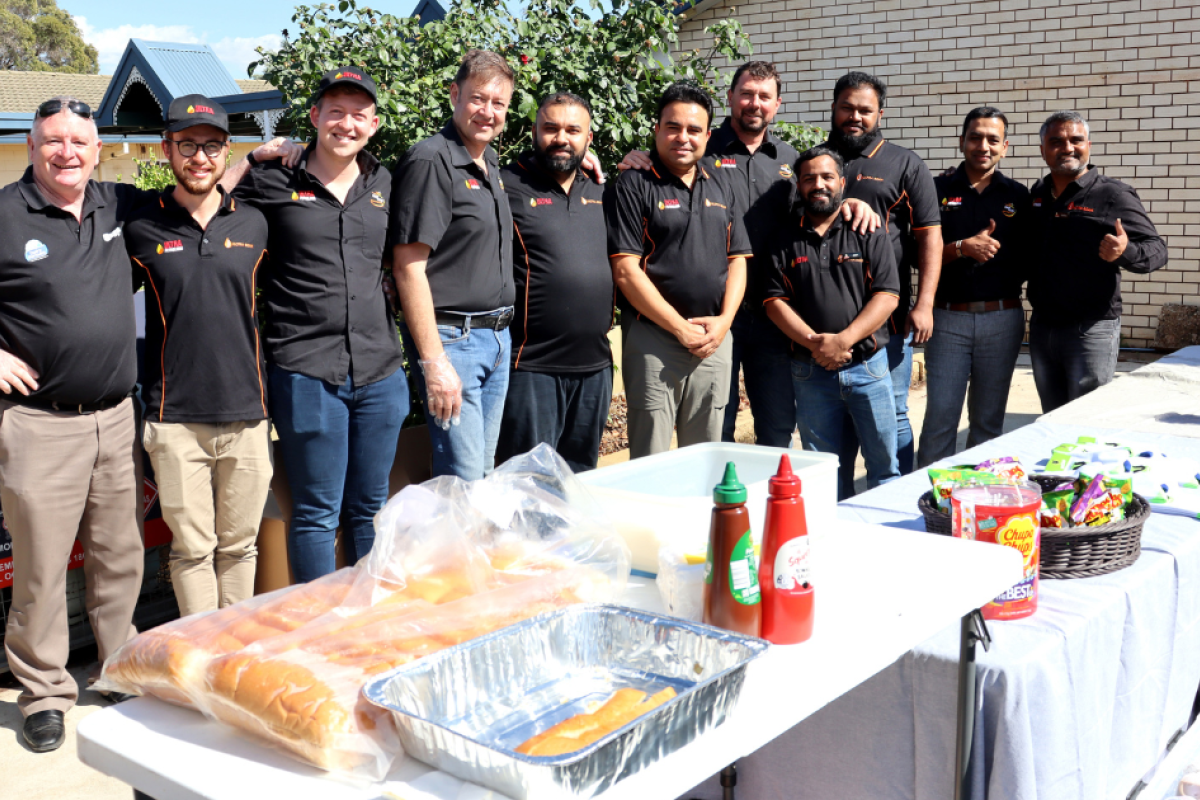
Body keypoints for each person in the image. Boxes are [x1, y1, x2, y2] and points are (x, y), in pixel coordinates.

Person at [616, 61, 880, 448]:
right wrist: (635, 156)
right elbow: (668, 159)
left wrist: (852, 202)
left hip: (775, 314)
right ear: (730, 98)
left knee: (776, 423)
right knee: (714, 427)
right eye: (746, 94)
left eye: (764, 97)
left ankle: (764, 504)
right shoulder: (703, 151)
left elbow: (819, 198)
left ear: (777, 105)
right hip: (714, 317)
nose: (754, 103)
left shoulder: (791, 159)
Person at [233, 67, 408, 583]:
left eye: (359, 115)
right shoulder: (272, 180)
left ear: (374, 124)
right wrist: (248, 156)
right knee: (315, 514)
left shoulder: (384, 182)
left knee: (370, 507)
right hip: (307, 372)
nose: (346, 124)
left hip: (380, 372)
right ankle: (318, 630)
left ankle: (366, 618)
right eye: (335, 111)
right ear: (314, 117)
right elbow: (204, 207)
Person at [124, 95, 273, 616]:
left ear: (226, 151)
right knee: (191, 551)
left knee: (240, 548)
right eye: (187, 145)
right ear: (167, 149)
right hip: (173, 421)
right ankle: (201, 666)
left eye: (211, 146)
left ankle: (233, 658)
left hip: (248, 417)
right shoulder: (141, 227)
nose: (199, 158)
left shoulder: (255, 225)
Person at [606, 82, 752, 457]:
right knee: (651, 456)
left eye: (693, 130)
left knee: (706, 455)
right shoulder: (633, 184)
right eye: (672, 127)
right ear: (656, 130)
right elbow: (625, 270)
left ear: (707, 135)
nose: (682, 137)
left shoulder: (722, 182)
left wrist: (724, 322)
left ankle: (700, 519)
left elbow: (737, 259)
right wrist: (679, 328)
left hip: (715, 340)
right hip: (655, 339)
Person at [391, 50, 515, 480]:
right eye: (479, 99)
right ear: (454, 95)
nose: (488, 112)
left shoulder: (488, 160)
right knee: (462, 482)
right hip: (455, 342)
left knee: (480, 476)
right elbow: (408, 266)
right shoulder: (432, 160)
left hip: (496, 338)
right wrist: (433, 363)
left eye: (499, 103)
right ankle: (457, 552)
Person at [825, 71, 941, 487]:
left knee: (890, 415)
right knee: (836, 423)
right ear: (834, 107)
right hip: (825, 323)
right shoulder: (817, 162)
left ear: (880, 114)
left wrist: (924, 303)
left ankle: (893, 497)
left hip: (887, 323)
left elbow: (930, 235)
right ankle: (837, 504)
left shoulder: (904, 163)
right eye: (847, 108)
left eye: (864, 110)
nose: (855, 116)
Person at [764, 146, 901, 496]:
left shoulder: (868, 228)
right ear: (798, 184)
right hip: (810, 371)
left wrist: (844, 341)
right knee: (822, 473)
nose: (818, 185)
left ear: (842, 182)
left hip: (868, 368)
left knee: (885, 466)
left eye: (827, 177)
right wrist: (817, 344)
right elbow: (773, 301)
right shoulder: (782, 237)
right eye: (809, 178)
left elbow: (887, 295)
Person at [495, 92, 613, 472]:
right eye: (551, 128)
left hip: (595, 367)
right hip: (532, 367)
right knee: (527, 486)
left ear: (588, 139)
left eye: (573, 130)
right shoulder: (505, 184)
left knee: (580, 479)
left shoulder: (601, 188)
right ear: (534, 132)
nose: (561, 137)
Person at [1027, 110, 1167, 411]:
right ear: (1043, 150)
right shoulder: (1038, 195)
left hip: (1090, 330)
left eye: (1076, 140)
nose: (1067, 147)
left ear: (1088, 145)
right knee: (1051, 418)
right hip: (1042, 328)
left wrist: (1125, 252)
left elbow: (1157, 250)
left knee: (1085, 418)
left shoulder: (1113, 194)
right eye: (1056, 141)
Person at [916, 107, 1030, 467]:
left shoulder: (1019, 195)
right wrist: (963, 248)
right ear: (962, 141)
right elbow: (914, 254)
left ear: (1005, 147)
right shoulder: (934, 190)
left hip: (1003, 317)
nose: (984, 145)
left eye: (993, 139)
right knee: (940, 420)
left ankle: (983, 498)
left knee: (988, 421)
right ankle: (928, 497)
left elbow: (1033, 256)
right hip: (948, 320)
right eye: (975, 137)